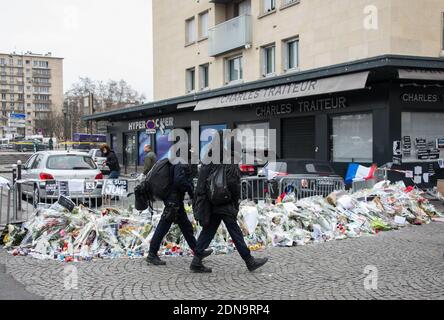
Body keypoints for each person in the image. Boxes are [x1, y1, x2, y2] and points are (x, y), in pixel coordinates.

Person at [190, 133, 268, 273]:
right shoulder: (228, 159)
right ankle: (249, 261)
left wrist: (201, 200)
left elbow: (201, 182)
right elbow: (233, 184)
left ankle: (196, 261)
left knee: (208, 231)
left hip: (211, 202)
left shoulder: (208, 157)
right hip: (224, 202)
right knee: (235, 232)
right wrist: (235, 202)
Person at [147, 149, 212, 265]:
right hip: (173, 200)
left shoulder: (176, 161)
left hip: (174, 199)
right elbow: (179, 180)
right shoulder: (180, 162)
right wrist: (190, 189)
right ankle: (152, 254)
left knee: (186, 226)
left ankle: (198, 251)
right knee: (163, 226)